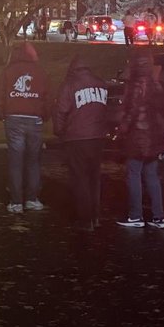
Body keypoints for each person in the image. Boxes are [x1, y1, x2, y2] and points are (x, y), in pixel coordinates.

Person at [53, 54, 110, 229]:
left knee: (80, 178)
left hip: (77, 137)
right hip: (97, 137)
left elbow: (61, 111)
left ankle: (84, 219)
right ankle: (95, 216)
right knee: (94, 178)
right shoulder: (101, 84)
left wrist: (60, 131)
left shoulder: (69, 85)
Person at [114, 52, 164, 230]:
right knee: (152, 176)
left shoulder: (136, 86)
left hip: (138, 137)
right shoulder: (156, 84)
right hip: (153, 137)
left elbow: (132, 111)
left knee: (134, 175)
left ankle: (135, 215)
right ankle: (159, 217)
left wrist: (122, 128)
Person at [0, 42, 51, 213]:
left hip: (13, 118)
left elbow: (0, 95)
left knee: (15, 160)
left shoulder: (8, 71)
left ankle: (16, 201)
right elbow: (47, 97)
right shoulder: (41, 72)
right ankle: (32, 199)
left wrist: (1, 114)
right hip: (34, 118)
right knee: (33, 160)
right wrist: (45, 115)